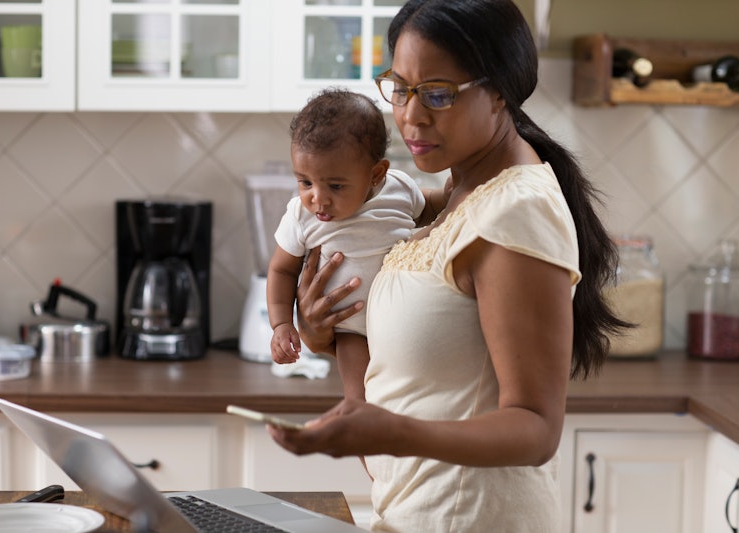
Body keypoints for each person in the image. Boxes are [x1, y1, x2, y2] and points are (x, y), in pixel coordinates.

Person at [265, 1, 630, 532]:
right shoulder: (458, 194)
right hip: (417, 514)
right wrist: (320, 332)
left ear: (499, 91)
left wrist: (390, 432)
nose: (411, 115)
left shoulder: (514, 212)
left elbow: (535, 429)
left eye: (438, 94)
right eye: (401, 87)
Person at [267, 87, 449, 400]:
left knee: (410, 398)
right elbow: (282, 271)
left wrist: (454, 193)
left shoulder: (399, 189)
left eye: (335, 185)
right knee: (361, 401)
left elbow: (430, 206)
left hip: (408, 323)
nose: (317, 198)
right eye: (305, 182)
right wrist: (282, 323)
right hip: (353, 330)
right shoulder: (301, 215)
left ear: (376, 174)